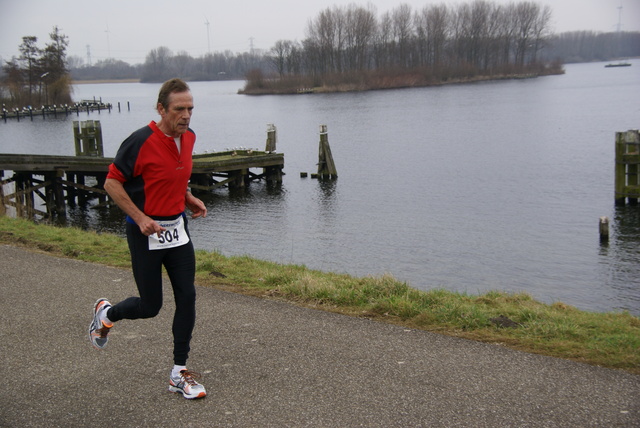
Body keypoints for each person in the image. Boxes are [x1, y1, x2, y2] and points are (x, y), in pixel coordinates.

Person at [89, 78, 208, 400]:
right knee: (150, 306)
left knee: (187, 296)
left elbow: (170, 174)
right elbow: (112, 183)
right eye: (179, 109)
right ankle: (107, 314)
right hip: (144, 234)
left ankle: (178, 372)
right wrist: (140, 217)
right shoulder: (139, 141)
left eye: (190, 109)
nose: (186, 116)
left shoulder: (189, 137)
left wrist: (187, 197)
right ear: (161, 109)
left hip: (177, 231)